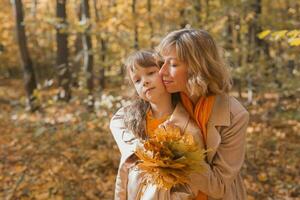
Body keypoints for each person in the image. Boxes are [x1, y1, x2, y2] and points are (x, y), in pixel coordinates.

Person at [156, 28, 249, 200]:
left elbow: (219, 186)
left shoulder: (235, 115)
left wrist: (179, 149)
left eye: (173, 64)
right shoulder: (165, 99)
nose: (162, 72)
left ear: (197, 67)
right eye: (162, 62)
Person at [110, 50, 206, 200]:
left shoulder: (188, 128)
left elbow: (191, 185)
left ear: (165, 73)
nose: (145, 82)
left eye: (150, 73)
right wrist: (146, 151)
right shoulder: (128, 120)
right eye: (137, 80)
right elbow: (116, 123)